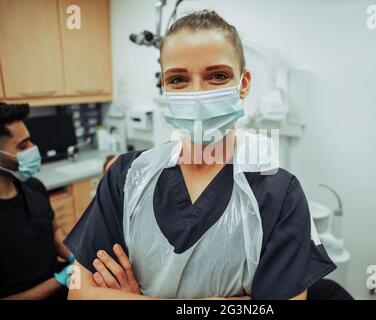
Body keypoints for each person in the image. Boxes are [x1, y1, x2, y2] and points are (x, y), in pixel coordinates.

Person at [64, 10, 336, 300]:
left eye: (217, 76)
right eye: (178, 79)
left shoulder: (280, 193)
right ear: (165, 88)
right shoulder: (127, 176)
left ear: (243, 85)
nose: (197, 94)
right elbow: (79, 293)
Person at [0, 103, 74, 299]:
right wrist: (58, 280)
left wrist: (73, 256)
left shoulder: (34, 187)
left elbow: (54, 230)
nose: (33, 148)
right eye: (23, 145)